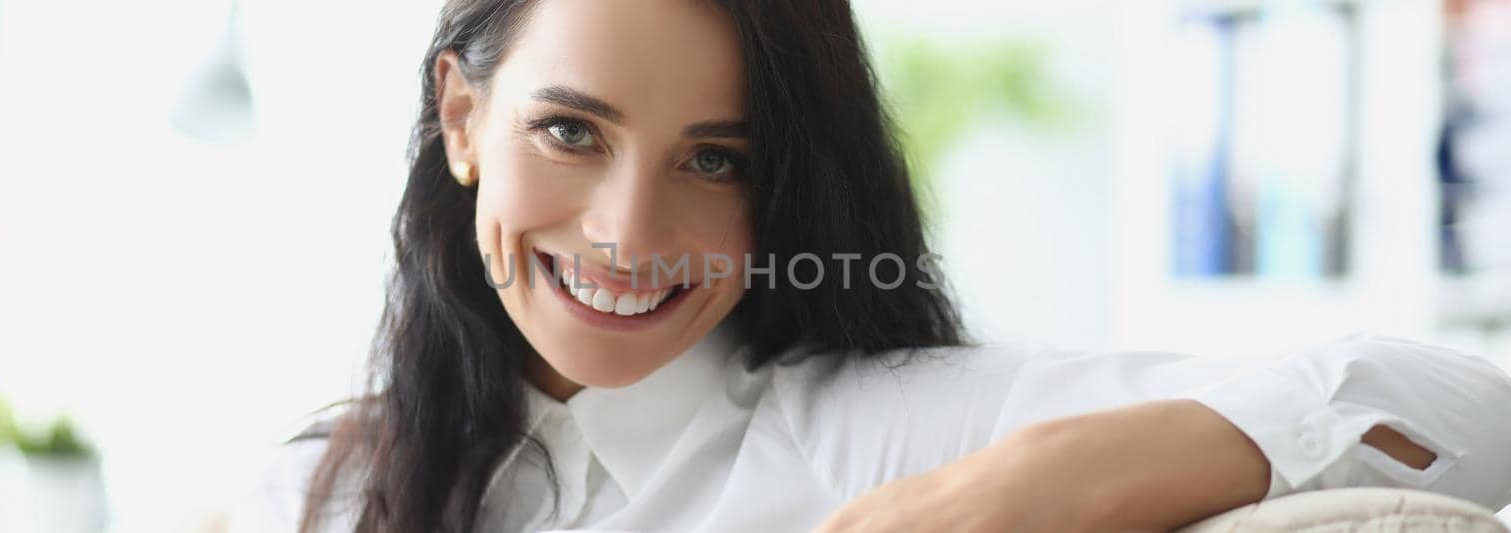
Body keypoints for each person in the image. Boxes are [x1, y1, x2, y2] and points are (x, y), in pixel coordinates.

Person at [228, 1, 1511, 532]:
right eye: (571, 131)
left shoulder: (878, 429)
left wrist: (1007, 488)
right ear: (462, 121)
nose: (628, 228)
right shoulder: (318, 484)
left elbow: (1471, 409)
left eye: (715, 160)